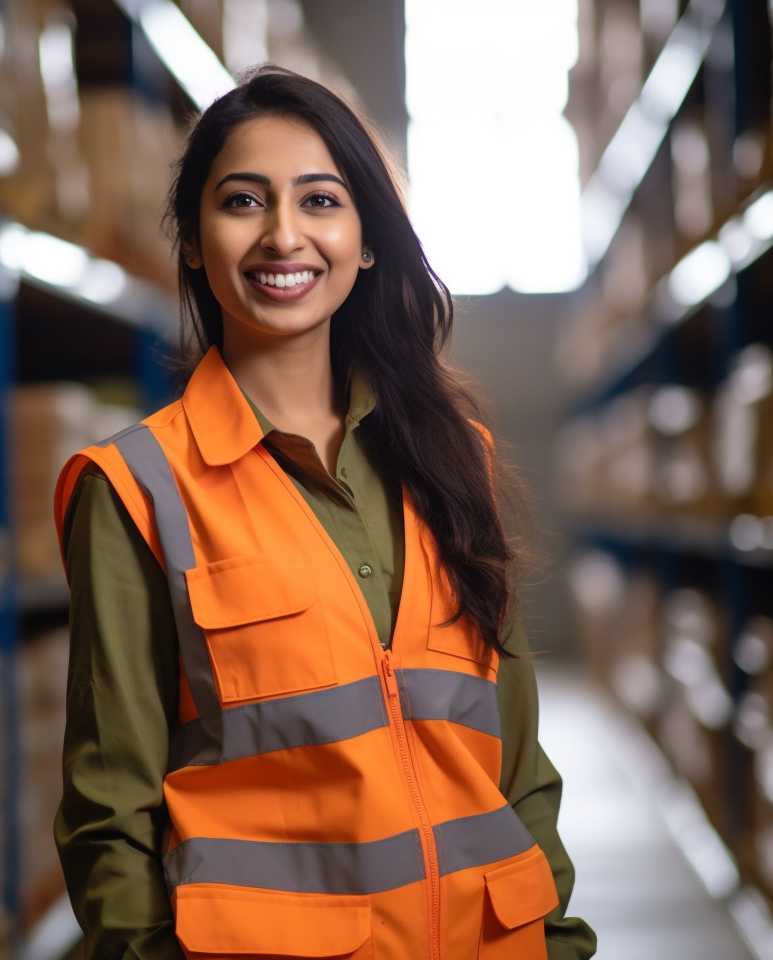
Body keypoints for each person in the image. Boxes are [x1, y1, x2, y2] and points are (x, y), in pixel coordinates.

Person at [53, 65, 596, 960]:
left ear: (366, 239)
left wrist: (558, 938)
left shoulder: (456, 457)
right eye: (241, 202)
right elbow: (108, 817)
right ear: (192, 240)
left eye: (319, 200)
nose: (283, 236)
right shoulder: (137, 489)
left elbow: (520, 763)